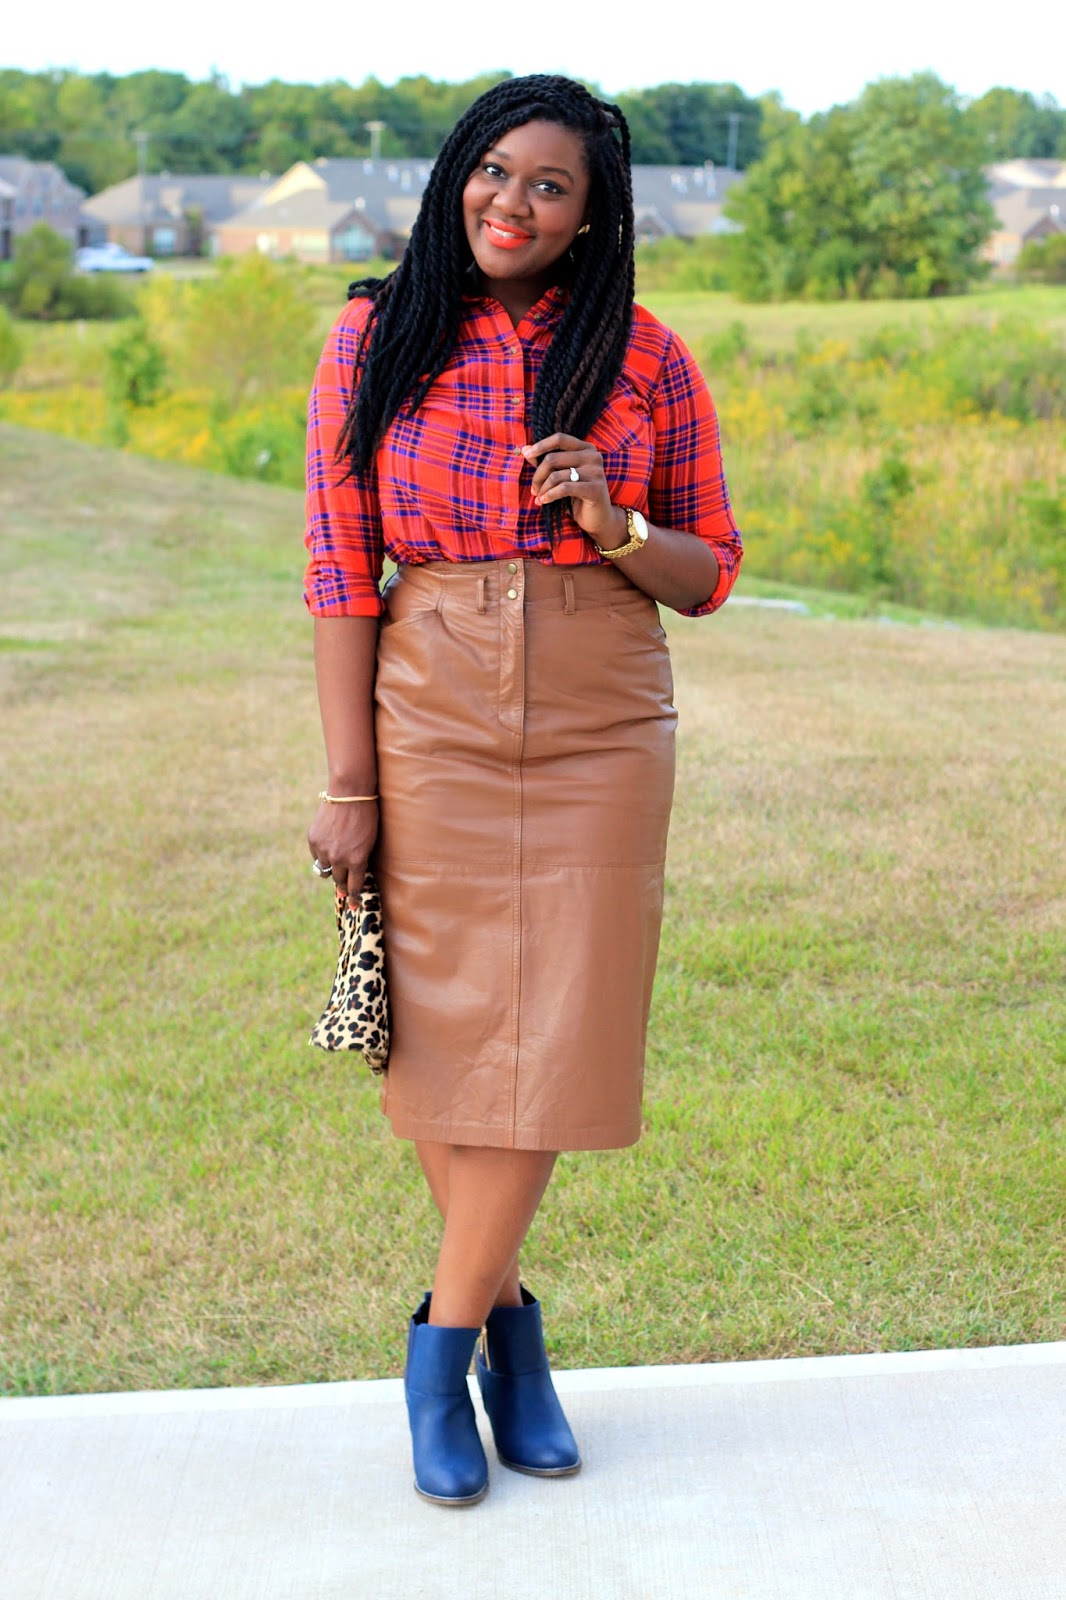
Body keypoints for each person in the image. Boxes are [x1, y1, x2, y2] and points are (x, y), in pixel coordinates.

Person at [303, 74, 742, 1507]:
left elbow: (710, 576)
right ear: (455, 180)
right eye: (494, 173)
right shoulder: (376, 336)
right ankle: (509, 1346)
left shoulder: (648, 356)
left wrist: (616, 519)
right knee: (444, 1026)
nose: (513, 203)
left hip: (600, 709)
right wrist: (348, 784)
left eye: (549, 185)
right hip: (426, 694)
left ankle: (443, 1345)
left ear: (590, 213)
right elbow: (334, 568)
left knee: (551, 1023)